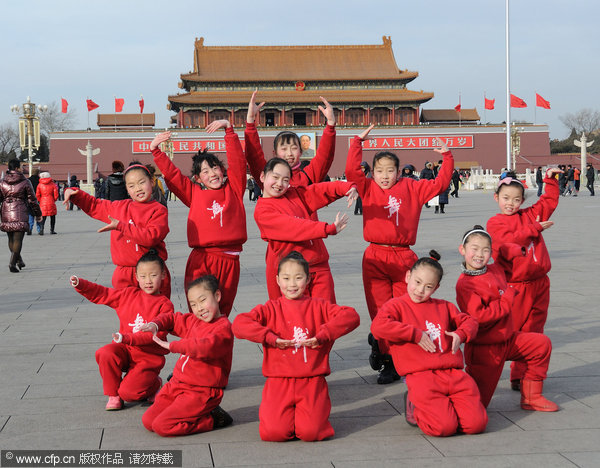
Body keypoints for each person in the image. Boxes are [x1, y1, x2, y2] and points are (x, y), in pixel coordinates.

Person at [345, 126, 454, 384]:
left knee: (407, 309)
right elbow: (351, 172)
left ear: (399, 171)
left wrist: (447, 156)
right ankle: (388, 360)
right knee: (381, 312)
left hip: (404, 257)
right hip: (375, 256)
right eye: (379, 170)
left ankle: (401, 354)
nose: (385, 176)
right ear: (372, 172)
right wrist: (357, 142)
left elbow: (441, 183)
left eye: (390, 170)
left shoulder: (412, 188)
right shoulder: (368, 186)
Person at [232, 251, 360, 441]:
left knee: (312, 432)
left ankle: (306, 418)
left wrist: (323, 335)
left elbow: (351, 316)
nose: (292, 284)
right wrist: (269, 337)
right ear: (277, 280)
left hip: (312, 380)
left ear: (308, 279)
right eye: (286, 278)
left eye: (298, 278)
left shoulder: (319, 305)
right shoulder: (270, 308)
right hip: (278, 381)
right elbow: (239, 324)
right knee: (273, 433)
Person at [371, 251, 487, 436]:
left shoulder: (444, 306)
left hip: (454, 374)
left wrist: (461, 334)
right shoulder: (396, 305)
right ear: (408, 276)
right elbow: (378, 327)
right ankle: (415, 403)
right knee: (443, 428)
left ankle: (446, 407)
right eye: (417, 282)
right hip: (421, 376)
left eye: (428, 287)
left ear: (436, 288)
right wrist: (414, 334)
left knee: (476, 425)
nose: (420, 290)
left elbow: (470, 321)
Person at [455, 226, 558, 411]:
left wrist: (517, 250)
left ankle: (531, 397)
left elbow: (504, 256)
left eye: (486, 250)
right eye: (474, 249)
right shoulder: (465, 284)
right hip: (485, 350)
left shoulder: (495, 269)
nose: (480, 254)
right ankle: (427, 400)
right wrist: (507, 298)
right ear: (462, 250)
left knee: (541, 345)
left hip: (508, 340)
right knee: (475, 406)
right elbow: (480, 316)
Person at [150, 120, 245, 316]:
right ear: (198, 179)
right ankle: (194, 346)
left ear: (223, 171)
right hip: (201, 259)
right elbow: (173, 175)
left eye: (215, 168)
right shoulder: (194, 194)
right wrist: (155, 151)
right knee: (199, 310)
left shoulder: (234, 189)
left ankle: (219, 345)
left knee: (221, 312)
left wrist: (229, 129)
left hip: (229, 261)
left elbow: (237, 161)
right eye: (206, 171)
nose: (212, 174)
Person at [486, 168, 561, 390]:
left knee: (535, 328)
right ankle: (505, 371)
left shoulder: (528, 215)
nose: (511, 203)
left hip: (539, 282)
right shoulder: (495, 222)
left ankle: (523, 374)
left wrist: (550, 179)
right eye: (506, 198)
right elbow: (507, 242)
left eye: (516, 199)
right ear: (496, 198)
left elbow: (548, 203)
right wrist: (535, 229)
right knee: (515, 329)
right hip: (514, 286)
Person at [70, 250, 174, 410]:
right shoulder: (128, 294)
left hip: (148, 357)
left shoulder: (165, 305)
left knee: (130, 394)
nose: (148, 281)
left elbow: (154, 335)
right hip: (126, 350)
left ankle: (154, 383)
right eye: (143, 276)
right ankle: (113, 395)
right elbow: (103, 294)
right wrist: (81, 284)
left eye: (153, 275)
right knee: (105, 353)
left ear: (163, 275)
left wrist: (126, 338)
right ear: (136, 277)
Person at [138, 275, 234, 436]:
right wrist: (156, 324)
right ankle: (195, 413)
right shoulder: (193, 321)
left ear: (217, 296)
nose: (199, 308)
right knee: (148, 421)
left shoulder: (223, 329)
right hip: (177, 385)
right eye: (193, 304)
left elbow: (205, 346)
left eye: (203, 300)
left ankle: (212, 419)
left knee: (163, 426)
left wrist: (174, 346)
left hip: (201, 391)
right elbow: (172, 319)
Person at [254, 157, 357, 303]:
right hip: (292, 273)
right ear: (263, 176)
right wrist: (326, 228)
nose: (279, 184)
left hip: (318, 267)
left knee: (326, 315)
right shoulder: (263, 211)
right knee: (296, 320)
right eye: (275, 177)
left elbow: (319, 190)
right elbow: (293, 227)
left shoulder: (295, 195)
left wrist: (346, 187)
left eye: (285, 180)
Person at [63, 161, 171, 297]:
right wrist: (73, 193)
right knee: (129, 316)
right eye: (131, 186)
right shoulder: (119, 207)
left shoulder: (158, 210)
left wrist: (121, 226)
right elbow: (95, 205)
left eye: (142, 182)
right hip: (125, 275)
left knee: (157, 315)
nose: (137, 188)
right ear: (127, 188)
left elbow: (150, 237)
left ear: (152, 182)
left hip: (152, 274)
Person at [245, 91, 336, 196]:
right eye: (284, 149)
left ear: (301, 152)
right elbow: (254, 157)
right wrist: (250, 121)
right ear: (275, 153)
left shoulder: (308, 176)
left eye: (293, 148)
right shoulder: (268, 177)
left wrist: (330, 124)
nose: (289, 153)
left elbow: (325, 157)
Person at [0, 159, 42, 272]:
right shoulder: (25, 182)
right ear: (18, 168)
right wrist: (38, 214)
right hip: (20, 210)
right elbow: (32, 200)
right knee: (18, 239)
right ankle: (12, 263)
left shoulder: (2, 182)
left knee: (11, 238)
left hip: (6, 211)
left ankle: (19, 260)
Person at [28, 167, 41, 235]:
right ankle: (39, 229)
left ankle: (30, 228)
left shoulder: (28, 180)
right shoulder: (40, 180)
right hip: (38, 200)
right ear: (38, 173)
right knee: (38, 214)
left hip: (30, 200)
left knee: (30, 215)